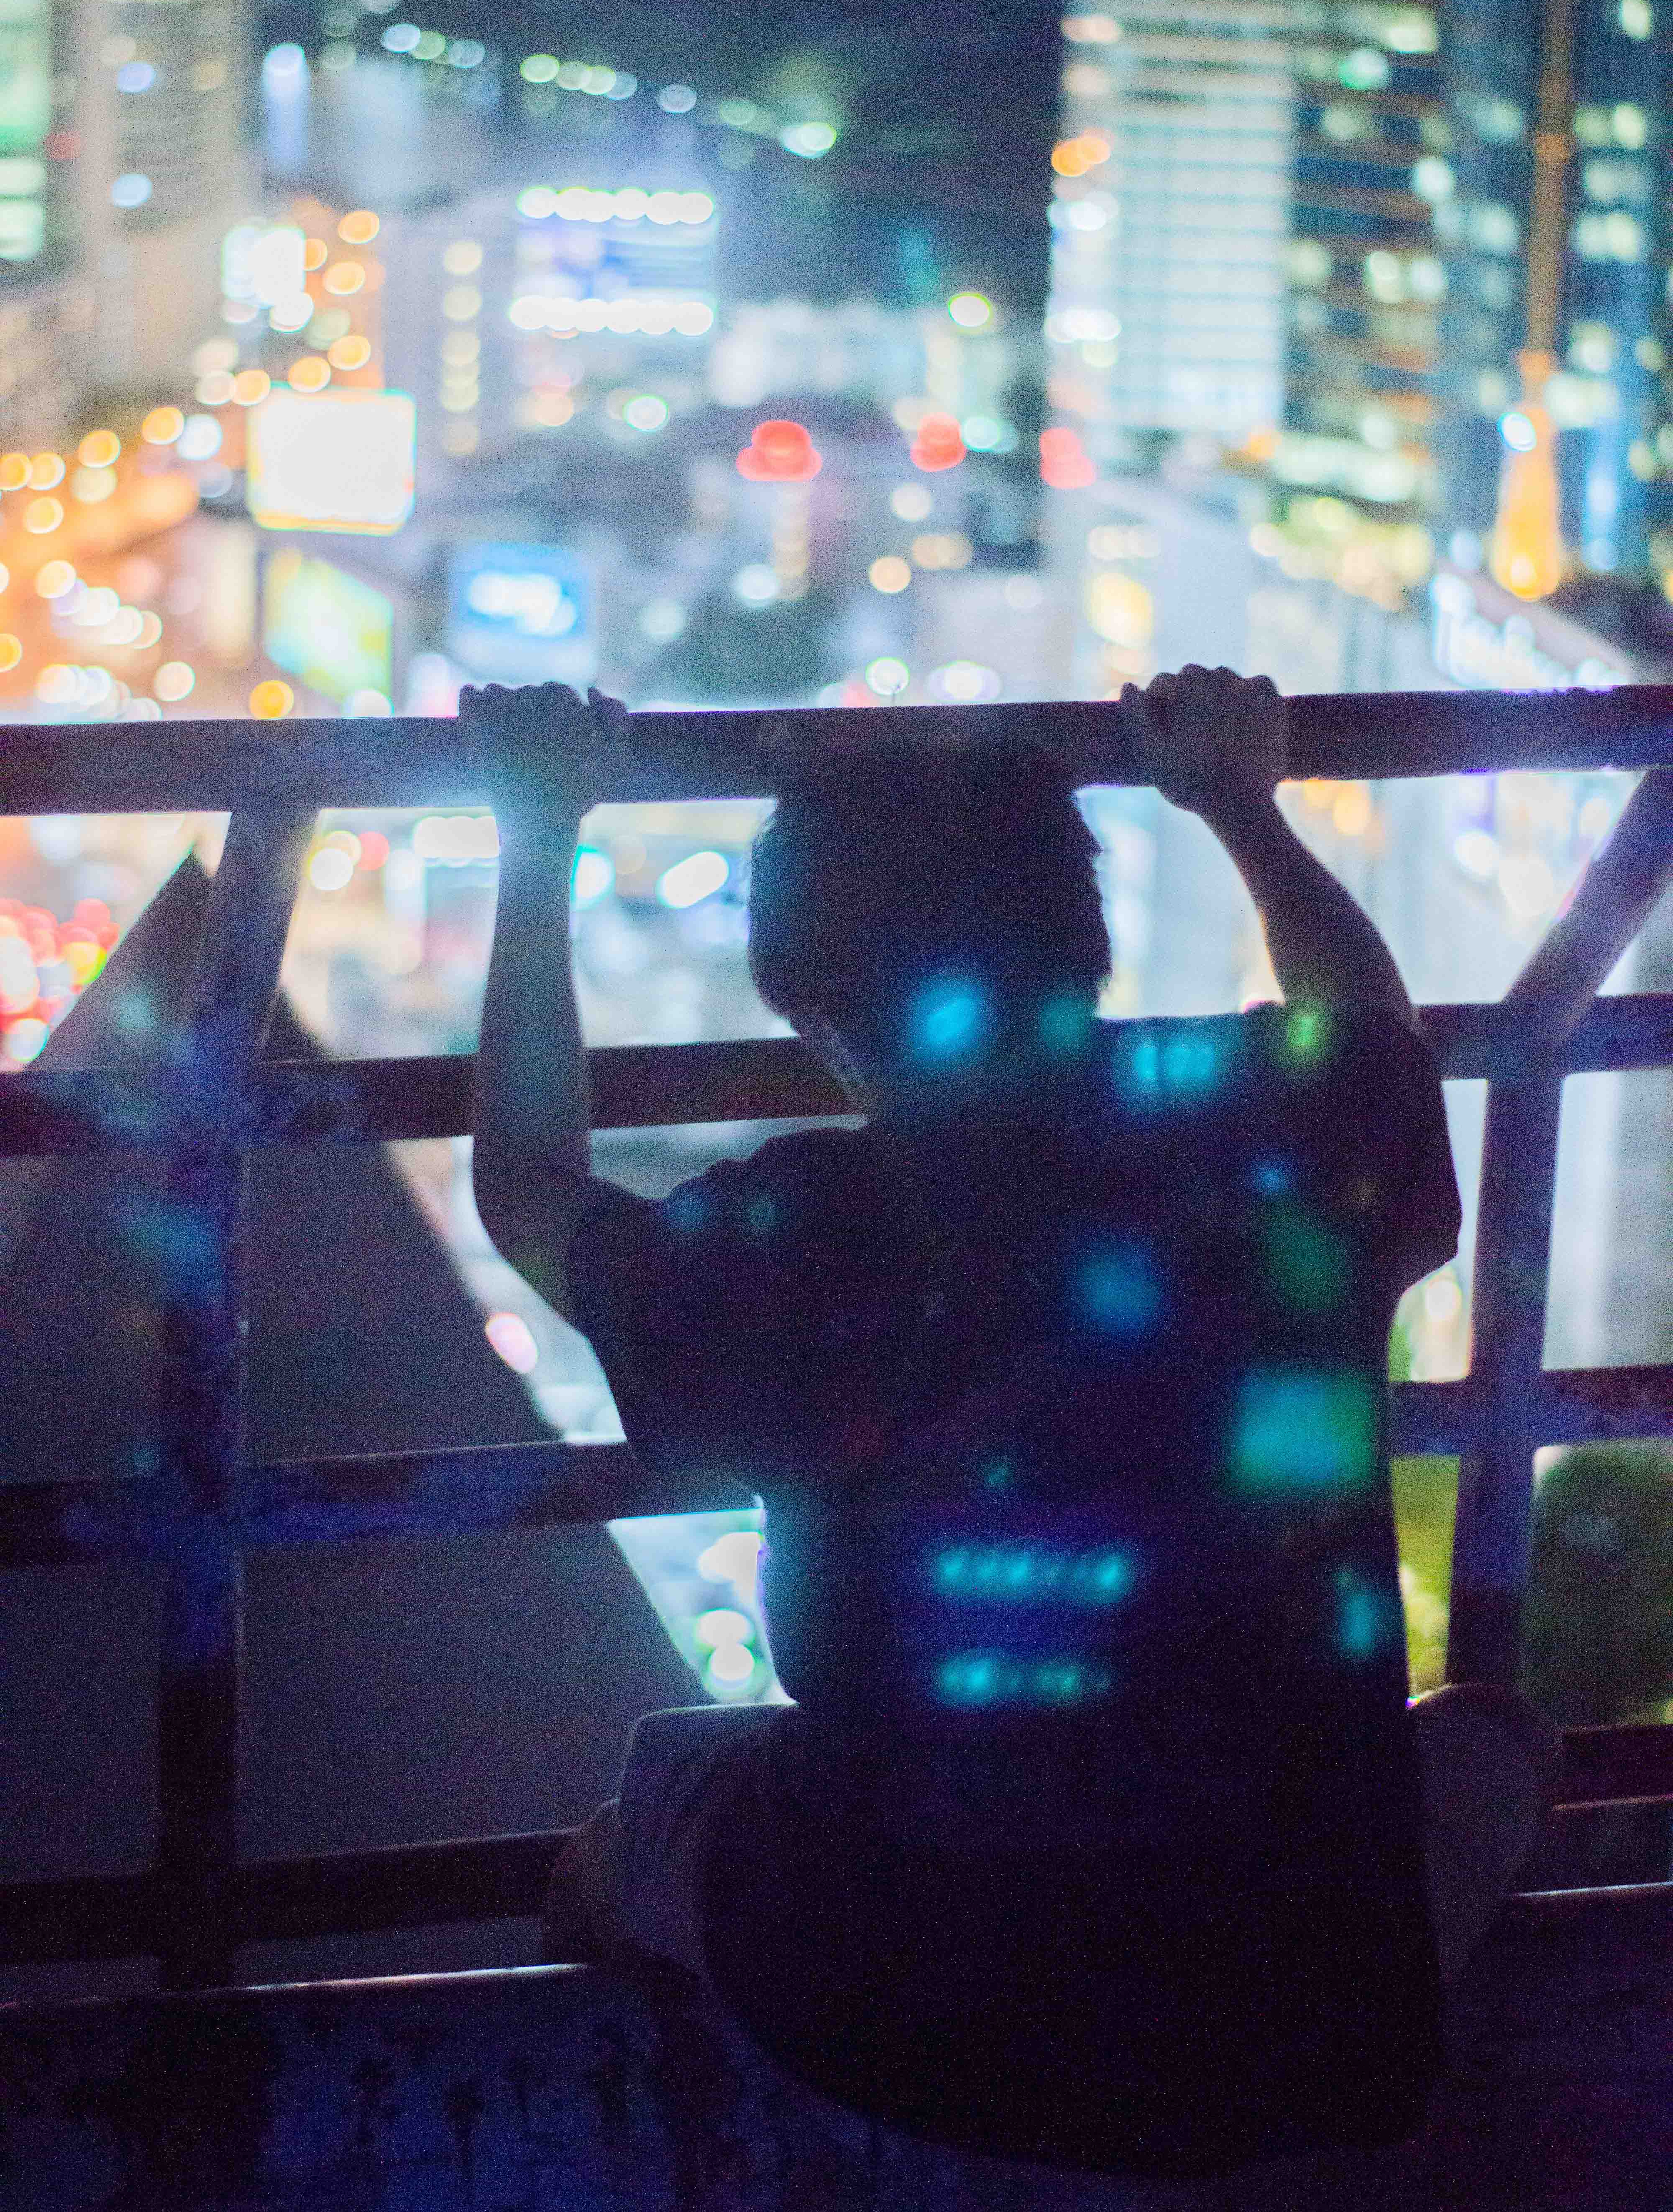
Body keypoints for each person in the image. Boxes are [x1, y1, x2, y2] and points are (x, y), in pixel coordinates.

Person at [459, 667, 1561, 2183]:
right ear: (1081, 946)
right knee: (1497, 1733)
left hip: (905, 2000)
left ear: (825, 1023)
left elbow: (525, 1186)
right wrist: (1241, 798)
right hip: (1310, 2010)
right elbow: (1369, 1028)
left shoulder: (801, 1232)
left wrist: (536, 833)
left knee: (619, 1846)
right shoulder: (1287, 1126)